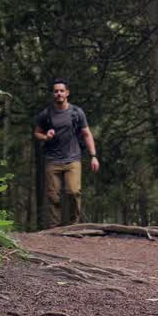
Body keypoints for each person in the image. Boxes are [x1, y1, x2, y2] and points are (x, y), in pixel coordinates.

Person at [33, 77, 99, 227]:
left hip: (72, 159)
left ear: (67, 93)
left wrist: (93, 156)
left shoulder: (76, 112)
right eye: (56, 91)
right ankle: (54, 229)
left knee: (73, 192)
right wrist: (45, 136)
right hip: (52, 159)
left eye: (62, 91)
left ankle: (73, 226)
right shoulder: (46, 114)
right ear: (53, 94)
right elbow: (37, 133)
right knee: (53, 196)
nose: (59, 94)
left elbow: (87, 134)